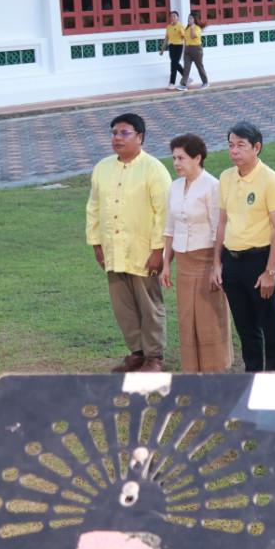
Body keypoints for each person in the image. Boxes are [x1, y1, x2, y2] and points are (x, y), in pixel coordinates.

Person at [86, 112, 170, 371]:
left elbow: (165, 213)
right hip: (113, 249)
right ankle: (137, 352)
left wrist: (158, 251)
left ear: (140, 137)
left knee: (149, 304)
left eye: (124, 133)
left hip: (144, 251)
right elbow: (93, 208)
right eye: (114, 133)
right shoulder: (102, 168)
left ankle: (154, 357)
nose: (117, 138)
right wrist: (97, 244)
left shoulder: (153, 169)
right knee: (123, 305)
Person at [208, 122, 275, 372]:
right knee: (245, 326)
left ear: (257, 147)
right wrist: (217, 263)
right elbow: (222, 222)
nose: (234, 151)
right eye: (231, 145)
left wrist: (270, 271)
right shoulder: (226, 177)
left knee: (269, 323)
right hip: (231, 261)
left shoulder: (270, 179)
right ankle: (252, 374)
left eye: (241, 145)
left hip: (259, 260)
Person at [161, 133, 230, 372]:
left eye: (181, 158)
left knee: (209, 318)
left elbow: (218, 229)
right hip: (184, 263)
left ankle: (215, 369)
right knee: (187, 318)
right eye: (174, 158)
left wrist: (216, 266)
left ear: (197, 158)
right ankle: (192, 370)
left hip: (206, 260)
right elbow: (169, 228)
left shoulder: (212, 186)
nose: (176, 163)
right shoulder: (174, 186)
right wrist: (166, 264)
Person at [180, 10, 209, 89]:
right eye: (188, 18)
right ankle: (183, 85)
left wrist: (192, 28)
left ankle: (205, 82)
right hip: (187, 50)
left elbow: (193, 36)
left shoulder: (197, 28)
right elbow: (185, 40)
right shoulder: (186, 29)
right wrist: (184, 50)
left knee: (199, 67)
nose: (189, 20)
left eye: (191, 18)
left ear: (195, 20)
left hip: (196, 50)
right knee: (186, 68)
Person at [164, 11, 187, 90]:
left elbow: (184, 37)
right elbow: (166, 38)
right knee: (175, 63)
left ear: (177, 17)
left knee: (173, 64)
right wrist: (162, 49)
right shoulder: (168, 27)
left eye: (174, 16)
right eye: (171, 16)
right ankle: (186, 77)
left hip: (179, 46)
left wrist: (182, 36)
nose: (172, 17)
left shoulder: (180, 26)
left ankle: (172, 83)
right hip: (171, 46)